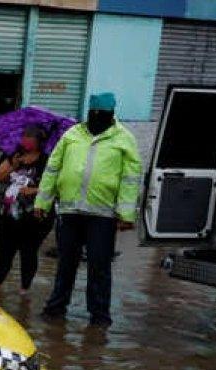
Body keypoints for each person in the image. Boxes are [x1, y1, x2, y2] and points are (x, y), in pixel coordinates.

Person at [35, 92, 142, 328]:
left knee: (99, 267)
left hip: (102, 215)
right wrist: (42, 203)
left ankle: (99, 317)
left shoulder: (124, 139)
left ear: (111, 114)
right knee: (66, 264)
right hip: (69, 212)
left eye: (101, 114)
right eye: (93, 113)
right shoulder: (72, 134)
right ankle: (55, 309)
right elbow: (53, 168)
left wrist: (126, 215)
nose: (96, 117)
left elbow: (130, 179)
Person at [0, 124, 55, 297]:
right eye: (24, 135)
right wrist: (13, 166)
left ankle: (24, 290)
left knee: (28, 252)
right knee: (4, 252)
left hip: (34, 217)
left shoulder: (48, 162)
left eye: (29, 136)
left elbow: (57, 188)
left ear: (39, 140)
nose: (24, 139)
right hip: (8, 214)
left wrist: (34, 190)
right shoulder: (15, 157)